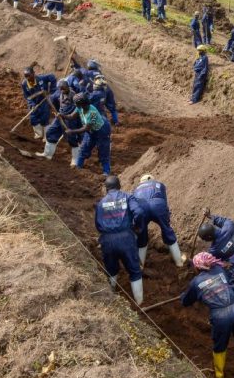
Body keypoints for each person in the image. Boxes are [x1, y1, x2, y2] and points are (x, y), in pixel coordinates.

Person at [182, 252, 234, 378]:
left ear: (197, 268)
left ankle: (219, 374)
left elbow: (186, 301)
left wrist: (183, 297)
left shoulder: (196, 283)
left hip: (220, 316)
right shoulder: (219, 270)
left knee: (220, 344)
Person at [95, 175, 145, 305]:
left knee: (111, 269)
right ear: (119, 186)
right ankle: (139, 302)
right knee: (134, 270)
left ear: (106, 189)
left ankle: (111, 297)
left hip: (107, 240)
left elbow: (98, 225)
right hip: (126, 238)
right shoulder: (127, 197)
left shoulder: (101, 203)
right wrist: (137, 227)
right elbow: (139, 212)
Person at [131, 175, 185, 268]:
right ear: (152, 179)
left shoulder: (135, 189)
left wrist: (136, 225)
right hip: (158, 205)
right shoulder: (159, 184)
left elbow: (134, 206)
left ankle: (140, 266)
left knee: (141, 236)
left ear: (141, 182)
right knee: (167, 231)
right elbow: (164, 201)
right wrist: (166, 218)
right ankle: (179, 262)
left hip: (141, 208)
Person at [65, 92, 112, 175]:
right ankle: (78, 167)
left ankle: (106, 172)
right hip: (91, 131)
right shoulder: (80, 108)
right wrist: (62, 115)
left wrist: (72, 131)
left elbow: (85, 128)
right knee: (83, 149)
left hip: (102, 131)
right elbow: (71, 116)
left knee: (103, 151)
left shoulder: (91, 112)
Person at [41, 79, 82, 162]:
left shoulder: (74, 96)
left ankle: (75, 160)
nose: (62, 90)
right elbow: (53, 100)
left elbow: (78, 109)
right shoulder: (59, 93)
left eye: (64, 88)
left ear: (68, 87)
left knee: (72, 139)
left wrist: (68, 116)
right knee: (50, 132)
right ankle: (47, 154)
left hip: (70, 120)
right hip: (59, 117)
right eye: (60, 89)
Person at [21, 66, 57, 141]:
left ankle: (46, 136)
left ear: (33, 73)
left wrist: (52, 92)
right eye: (25, 76)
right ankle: (38, 134)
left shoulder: (42, 78)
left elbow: (52, 76)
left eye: (29, 75)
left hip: (44, 100)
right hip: (33, 102)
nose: (27, 78)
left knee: (44, 119)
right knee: (33, 118)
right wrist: (32, 104)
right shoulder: (24, 84)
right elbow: (27, 96)